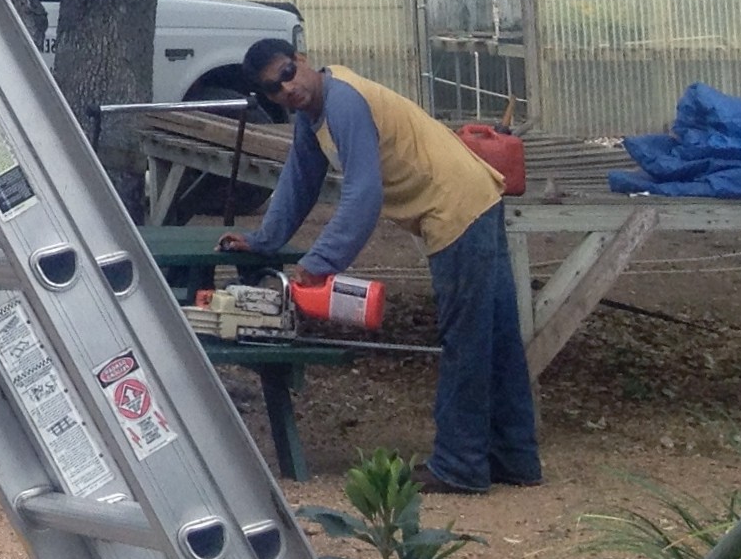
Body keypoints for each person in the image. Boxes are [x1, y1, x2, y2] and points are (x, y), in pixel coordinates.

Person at [220, 36, 539, 492]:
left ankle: (460, 466)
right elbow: (300, 181)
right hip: (472, 197)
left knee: (465, 339)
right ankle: (516, 458)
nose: (287, 89)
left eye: (288, 73)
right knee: (497, 336)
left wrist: (321, 261)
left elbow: (363, 195)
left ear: (303, 61)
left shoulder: (344, 102)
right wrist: (262, 240)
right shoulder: (313, 119)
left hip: (455, 207)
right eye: (274, 89)